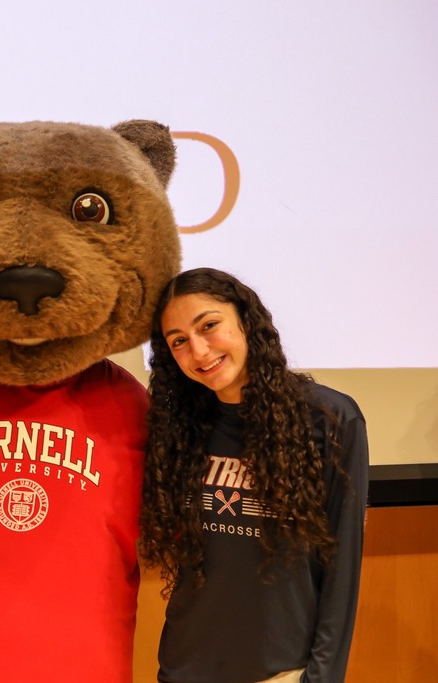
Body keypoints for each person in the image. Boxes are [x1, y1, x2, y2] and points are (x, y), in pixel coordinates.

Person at [139, 267, 369, 683]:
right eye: (179, 342)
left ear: (245, 319)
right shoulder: (177, 428)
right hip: (185, 666)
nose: (200, 350)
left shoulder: (330, 419)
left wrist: (319, 677)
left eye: (209, 326)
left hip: (281, 671)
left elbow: (343, 568)